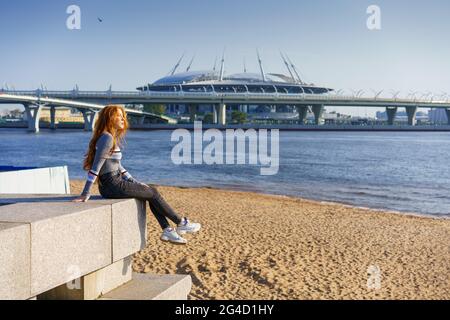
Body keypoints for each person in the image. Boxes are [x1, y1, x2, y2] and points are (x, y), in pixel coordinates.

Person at [73, 105, 200, 244]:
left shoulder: (108, 137)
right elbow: (96, 167)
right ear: (110, 118)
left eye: (123, 116)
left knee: (149, 192)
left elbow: (118, 166)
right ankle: (180, 223)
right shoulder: (107, 138)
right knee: (153, 192)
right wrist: (85, 192)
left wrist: (134, 182)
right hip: (112, 184)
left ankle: (168, 230)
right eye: (119, 116)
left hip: (112, 183)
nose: (123, 119)